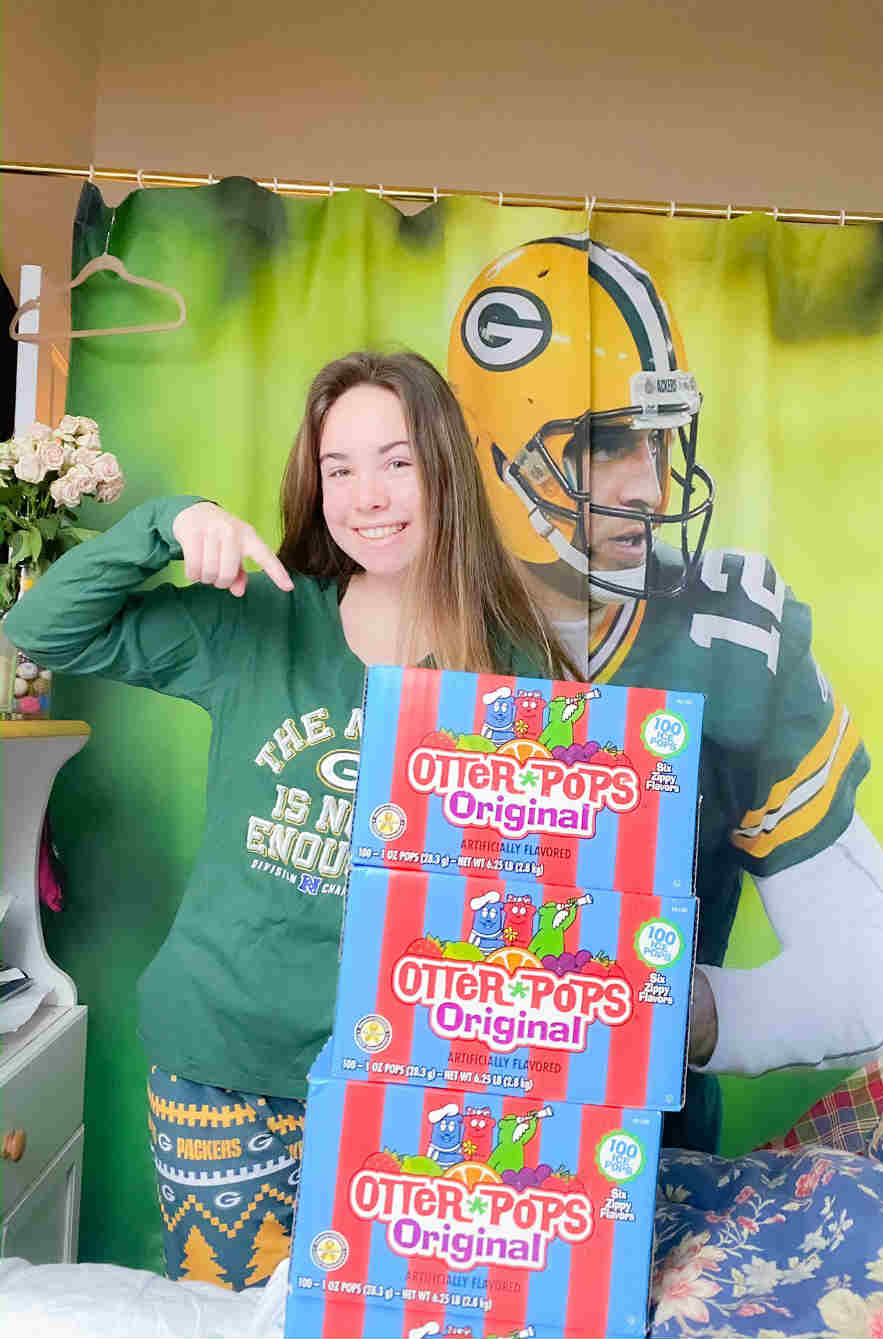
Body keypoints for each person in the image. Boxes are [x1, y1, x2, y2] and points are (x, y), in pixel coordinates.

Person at [4, 351, 577, 1291]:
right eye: (338, 467)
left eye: (397, 461)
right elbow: (43, 629)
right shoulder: (259, 618)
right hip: (222, 1072)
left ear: (444, 469)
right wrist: (165, 525)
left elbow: (556, 891)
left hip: (416, 1088)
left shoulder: (517, 666)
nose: (368, 496)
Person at [448, 234, 883, 1153]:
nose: (651, 484)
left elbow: (874, 982)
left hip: (653, 1153)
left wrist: (669, 1008)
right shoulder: (414, 619)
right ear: (490, 451)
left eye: (659, 437)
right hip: (438, 1147)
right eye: (602, 442)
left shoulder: (729, 635)